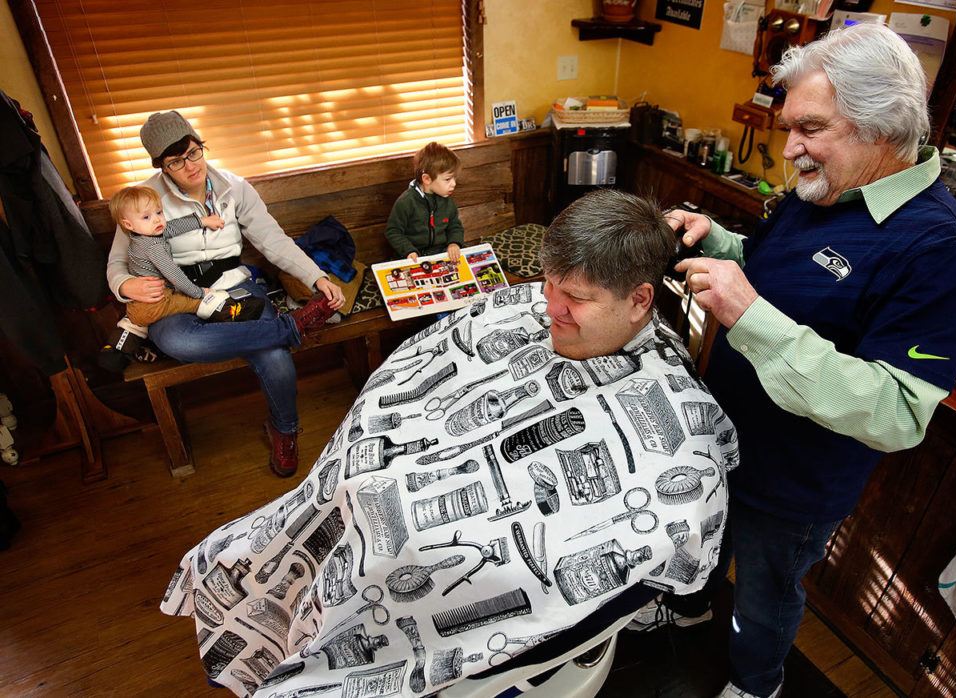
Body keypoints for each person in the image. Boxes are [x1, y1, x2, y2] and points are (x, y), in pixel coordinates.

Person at [160, 190, 737, 697]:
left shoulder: (674, 409)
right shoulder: (527, 309)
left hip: (435, 566)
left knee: (379, 560)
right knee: (340, 507)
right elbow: (414, 370)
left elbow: (658, 535)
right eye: (547, 284)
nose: (550, 308)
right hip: (370, 486)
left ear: (639, 300)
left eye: (575, 299)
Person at [655, 25, 956, 698]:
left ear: (882, 128)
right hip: (726, 441)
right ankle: (688, 610)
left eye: (810, 128)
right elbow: (783, 279)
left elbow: (897, 412)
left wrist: (748, 316)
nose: (791, 148)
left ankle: (757, 685)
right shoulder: (826, 189)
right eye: (789, 127)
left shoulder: (941, 247)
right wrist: (720, 243)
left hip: (796, 483)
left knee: (765, 595)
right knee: (706, 540)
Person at [106, 111, 346, 477]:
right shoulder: (143, 200)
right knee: (183, 342)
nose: (190, 166)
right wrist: (126, 286)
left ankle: (284, 429)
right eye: (176, 161)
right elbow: (116, 264)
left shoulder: (235, 187)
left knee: (275, 357)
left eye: (193, 152)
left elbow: (272, 239)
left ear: (200, 145)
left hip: (233, 285)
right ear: (161, 166)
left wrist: (317, 278)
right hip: (174, 296)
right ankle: (291, 327)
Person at [98, 185, 266, 372]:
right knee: (194, 302)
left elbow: (174, 226)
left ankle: (120, 349)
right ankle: (230, 310)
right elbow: (175, 275)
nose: (157, 220)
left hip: (141, 305)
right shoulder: (153, 247)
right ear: (128, 225)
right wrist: (199, 293)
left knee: (137, 323)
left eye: (159, 212)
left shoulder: (145, 234)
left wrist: (203, 221)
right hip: (157, 301)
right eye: (147, 217)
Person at [384, 141, 465, 264]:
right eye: (448, 179)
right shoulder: (407, 201)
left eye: (454, 178)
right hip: (414, 255)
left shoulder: (447, 201)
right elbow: (393, 231)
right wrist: (408, 251)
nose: (453, 184)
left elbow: (455, 226)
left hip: (441, 253)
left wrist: (454, 243)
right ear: (427, 179)